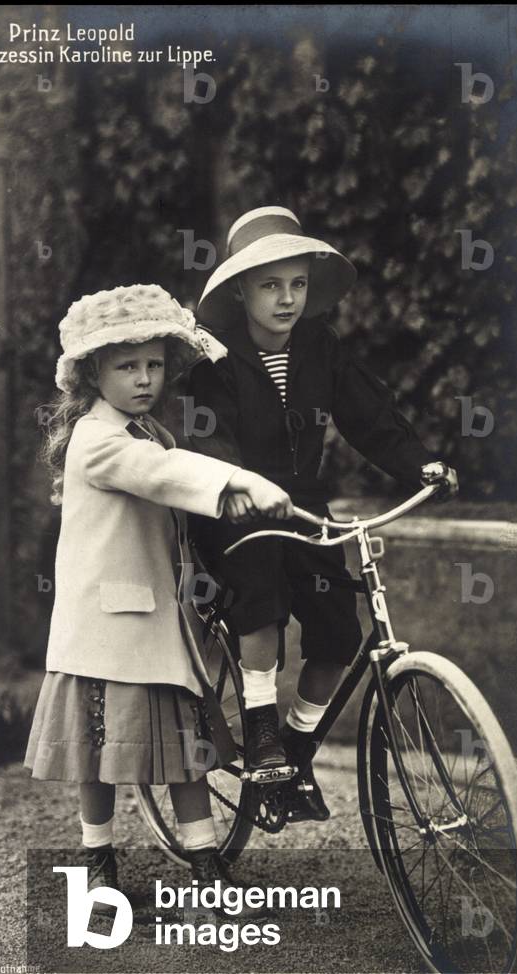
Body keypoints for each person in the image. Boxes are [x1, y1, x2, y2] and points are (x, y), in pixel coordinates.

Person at [185, 206, 459, 822]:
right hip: (231, 503)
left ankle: (298, 748)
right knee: (259, 592)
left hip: (303, 503)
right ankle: (260, 734)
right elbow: (207, 437)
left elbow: (369, 416)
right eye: (270, 285)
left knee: (338, 627)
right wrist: (237, 484)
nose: (286, 300)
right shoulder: (214, 358)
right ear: (240, 290)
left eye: (297, 284)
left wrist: (421, 465)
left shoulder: (320, 346)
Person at [23, 283, 294, 904]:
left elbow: (174, 490)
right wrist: (237, 479)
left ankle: (203, 858)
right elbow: (164, 478)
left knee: (183, 751)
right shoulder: (99, 440)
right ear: (94, 375)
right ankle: (98, 857)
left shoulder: (148, 430)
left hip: (159, 622)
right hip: (107, 628)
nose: (144, 378)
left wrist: (230, 507)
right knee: (98, 755)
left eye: (153, 364)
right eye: (126, 366)